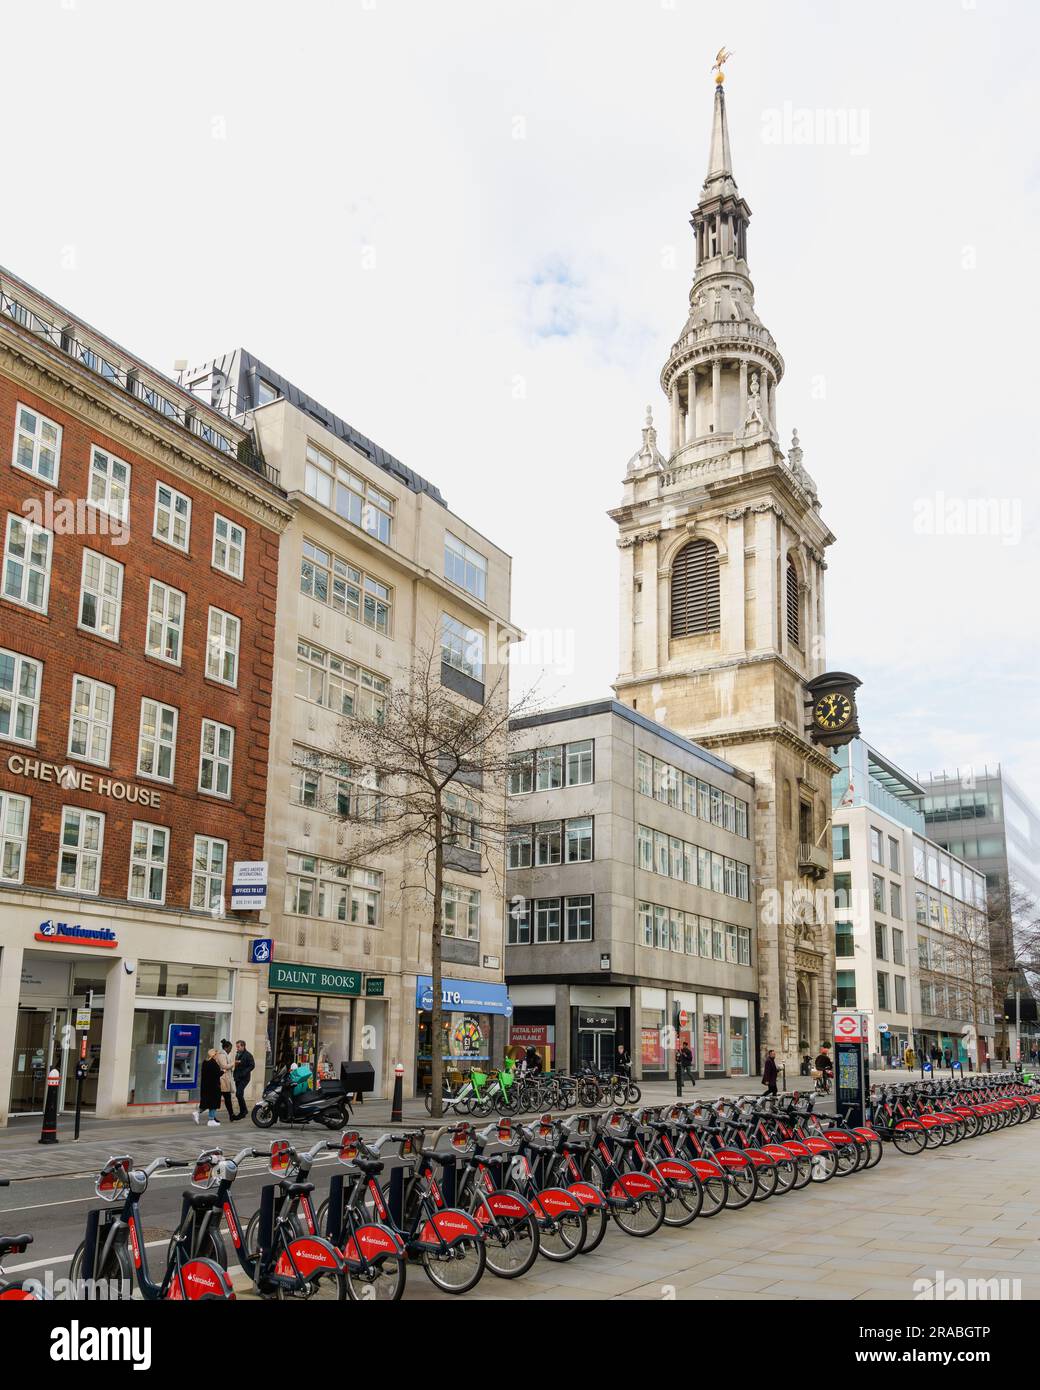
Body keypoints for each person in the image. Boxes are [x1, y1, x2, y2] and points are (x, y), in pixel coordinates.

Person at [194, 1051, 223, 1127]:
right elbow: (216, 1074)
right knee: (213, 1103)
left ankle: (197, 1113)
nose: (218, 1056)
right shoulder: (213, 1063)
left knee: (207, 1103)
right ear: (214, 1055)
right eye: (217, 1054)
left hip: (206, 1086)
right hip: (213, 1086)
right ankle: (211, 1120)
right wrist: (223, 1071)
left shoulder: (205, 1062)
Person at [232, 1039, 255, 1120]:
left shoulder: (248, 1055)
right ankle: (243, 1112)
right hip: (237, 1077)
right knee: (239, 1094)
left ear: (243, 1046)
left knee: (238, 1093)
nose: (237, 1048)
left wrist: (244, 1072)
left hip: (244, 1078)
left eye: (238, 1047)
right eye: (237, 1047)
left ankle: (244, 1110)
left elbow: (252, 1065)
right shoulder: (237, 1054)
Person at [216, 1039, 235, 1121]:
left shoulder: (225, 1055)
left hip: (225, 1079)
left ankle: (231, 1115)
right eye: (230, 1048)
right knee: (217, 1099)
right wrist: (234, 1063)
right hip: (222, 1079)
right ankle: (201, 1112)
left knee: (227, 1099)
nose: (230, 1050)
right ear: (226, 1048)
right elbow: (224, 1066)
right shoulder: (221, 1055)